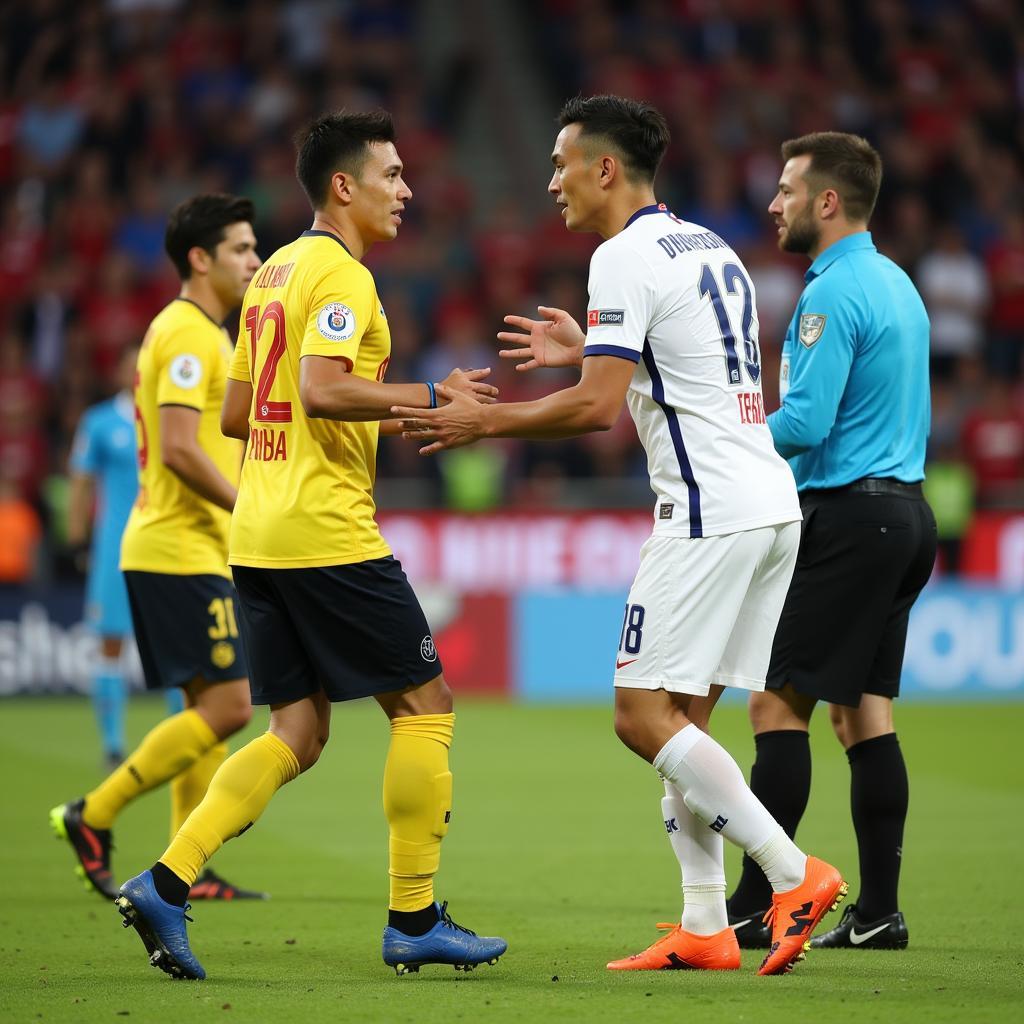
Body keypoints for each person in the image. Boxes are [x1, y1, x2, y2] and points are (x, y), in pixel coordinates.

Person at [391, 95, 845, 977]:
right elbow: (681, 373)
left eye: (563, 163)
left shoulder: (621, 256)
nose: (552, 180)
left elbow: (598, 409)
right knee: (688, 726)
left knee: (640, 717)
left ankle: (794, 873)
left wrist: (488, 426)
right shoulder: (708, 245)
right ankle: (705, 925)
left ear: (605, 168)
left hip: (707, 511)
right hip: (767, 503)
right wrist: (590, 348)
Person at [113, 111, 507, 981]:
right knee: (426, 704)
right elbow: (324, 389)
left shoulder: (272, 273)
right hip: (324, 530)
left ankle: (166, 883)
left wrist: (343, 417)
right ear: (344, 185)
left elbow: (235, 413)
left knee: (297, 728)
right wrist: (425, 394)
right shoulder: (342, 278)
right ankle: (413, 917)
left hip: (257, 530)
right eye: (392, 175)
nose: (405, 190)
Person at [724, 132, 935, 951]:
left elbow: (807, 424)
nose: (772, 202)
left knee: (777, 702)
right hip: (907, 516)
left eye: (784, 190)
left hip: (849, 517)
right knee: (863, 717)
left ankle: (752, 903)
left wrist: (718, 441)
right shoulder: (899, 285)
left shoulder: (828, 295)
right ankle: (880, 912)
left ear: (826, 202)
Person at [51, 193, 267, 904]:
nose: (254, 259)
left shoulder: (210, 335)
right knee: (231, 708)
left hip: (194, 545)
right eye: (240, 248)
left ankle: (188, 867)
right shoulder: (183, 333)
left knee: (207, 707)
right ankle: (94, 813)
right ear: (199, 259)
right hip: (176, 545)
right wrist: (249, 506)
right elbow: (177, 447)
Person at [68, 344, 185, 771]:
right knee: (110, 644)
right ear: (119, 372)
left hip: (164, 547)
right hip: (113, 552)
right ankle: (113, 744)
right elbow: (80, 482)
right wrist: (77, 537)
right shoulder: (99, 422)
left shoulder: (170, 419)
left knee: (174, 646)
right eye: (130, 364)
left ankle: (178, 739)